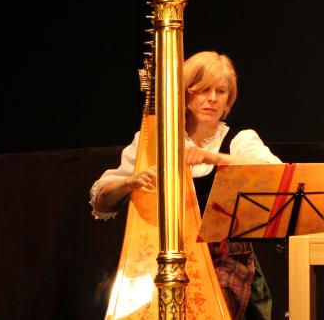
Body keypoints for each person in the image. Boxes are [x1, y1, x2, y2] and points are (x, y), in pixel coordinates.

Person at [90, 51, 279, 320]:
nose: (212, 98)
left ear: (228, 100)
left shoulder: (239, 140)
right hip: (159, 256)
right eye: (203, 90)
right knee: (119, 297)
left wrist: (211, 157)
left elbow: (275, 173)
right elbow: (101, 199)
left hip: (223, 261)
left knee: (210, 301)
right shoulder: (153, 139)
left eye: (221, 91)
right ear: (185, 94)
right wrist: (130, 183)